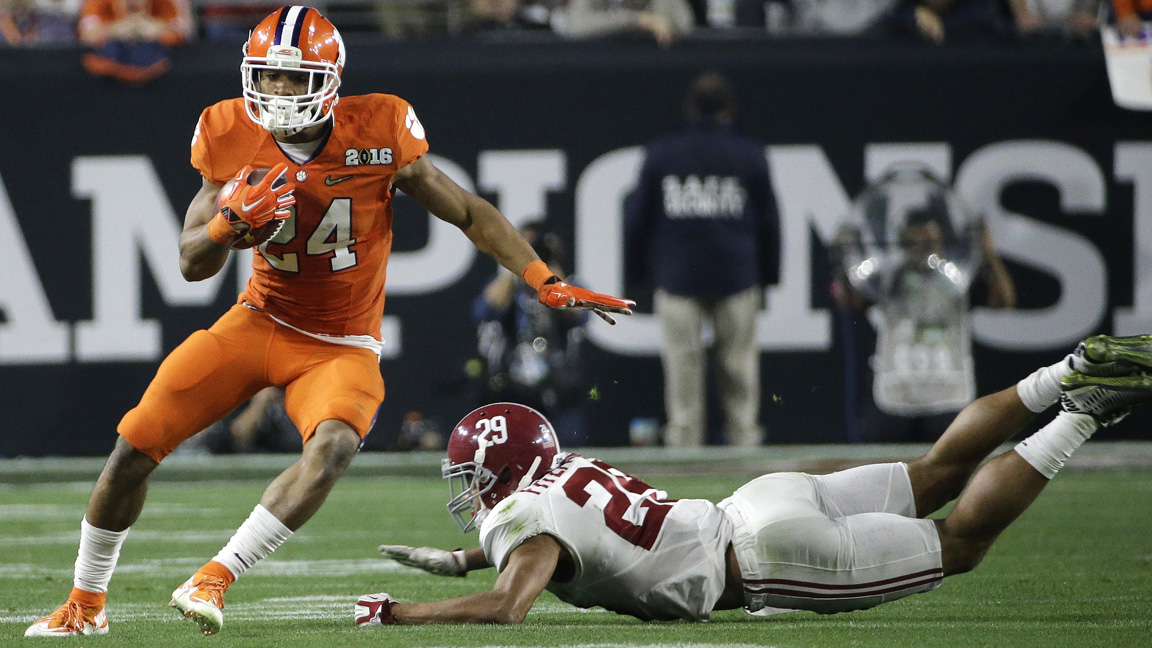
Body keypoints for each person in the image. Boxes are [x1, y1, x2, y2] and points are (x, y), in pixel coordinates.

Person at [24, 5, 633, 638]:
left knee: (335, 444)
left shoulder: (380, 127)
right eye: (269, 75)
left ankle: (215, 576)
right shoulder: (228, 130)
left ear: (330, 81)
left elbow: (467, 211)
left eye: (295, 78)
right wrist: (228, 225)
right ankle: (84, 605)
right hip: (258, 321)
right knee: (134, 444)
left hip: (341, 342)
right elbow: (190, 263)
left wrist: (542, 279)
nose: (279, 90)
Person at [357, 334, 1152, 625]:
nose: (473, 494)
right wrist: (464, 558)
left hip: (766, 558)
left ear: (504, 472)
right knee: (937, 470)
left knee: (961, 544)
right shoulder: (567, 472)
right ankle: (1062, 374)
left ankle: (1083, 415)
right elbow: (566, 540)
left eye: (475, 477)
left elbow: (509, 605)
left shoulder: (521, 522)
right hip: (760, 502)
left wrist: (397, 613)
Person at [624, 71, 779, 448]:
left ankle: (683, 446)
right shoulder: (749, 153)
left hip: (677, 277)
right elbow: (769, 221)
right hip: (737, 275)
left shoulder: (662, 153)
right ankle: (745, 441)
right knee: (739, 369)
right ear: (729, 109)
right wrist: (768, 277)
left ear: (689, 108)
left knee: (682, 369)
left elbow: (636, 220)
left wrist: (637, 277)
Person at [831, 164, 1015, 443]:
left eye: (928, 240)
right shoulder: (888, 277)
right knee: (885, 468)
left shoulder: (958, 276)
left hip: (948, 396)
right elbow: (850, 302)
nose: (922, 246)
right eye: (914, 240)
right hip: (895, 395)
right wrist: (843, 261)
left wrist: (988, 254)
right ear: (902, 240)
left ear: (940, 239)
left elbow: (1004, 301)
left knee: (951, 470)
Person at [77, 0, 191, 84]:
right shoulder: (99, 3)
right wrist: (115, 29)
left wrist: (155, 28)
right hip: (108, 77)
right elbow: (87, 35)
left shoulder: (162, 3)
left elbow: (180, 34)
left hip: (156, 75)